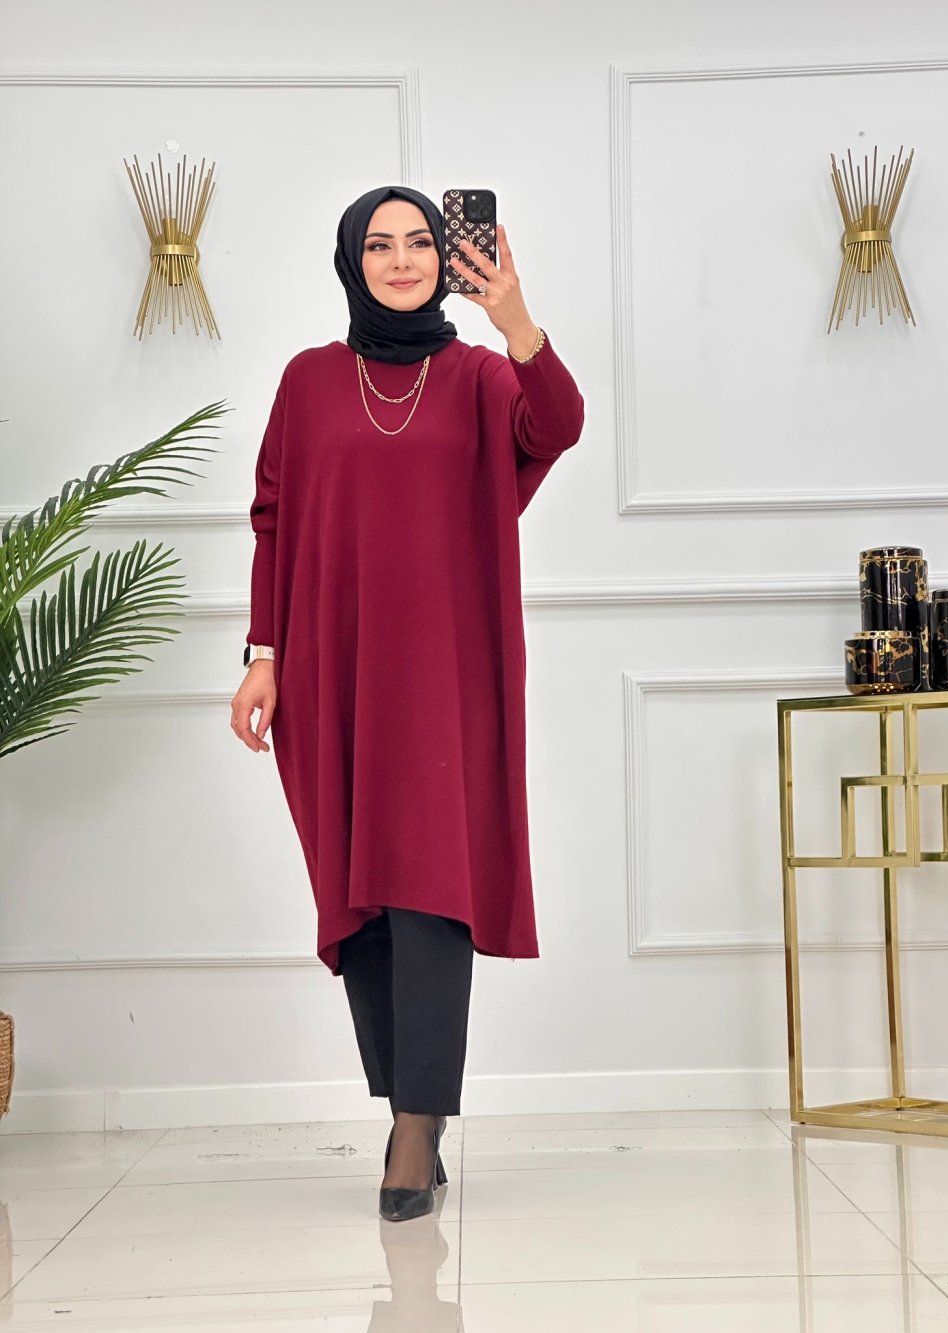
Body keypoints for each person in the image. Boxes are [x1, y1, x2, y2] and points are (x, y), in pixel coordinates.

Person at [230, 185, 584, 1221]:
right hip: (330, 665)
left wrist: (514, 318)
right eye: (379, 244)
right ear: (352, 261)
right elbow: (272, 519)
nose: (400, 260)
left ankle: (417, 1130)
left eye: (420, 242)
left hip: (446, 667)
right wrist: (263, 654)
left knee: (432, 881)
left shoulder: (478, 374)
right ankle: (403, 1105)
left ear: (444, 257)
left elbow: (557, 423)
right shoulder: (308, 381)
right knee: (363, 887)